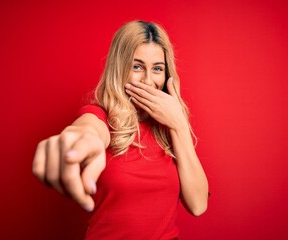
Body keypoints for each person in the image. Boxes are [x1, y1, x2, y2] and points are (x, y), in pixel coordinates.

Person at [32, 20, 209, 239]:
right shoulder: (101, 117)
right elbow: (89, 129)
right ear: (120, 69)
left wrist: (179, 124)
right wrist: (79, 139)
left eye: (157, 69)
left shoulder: (170, 128)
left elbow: (198, 205)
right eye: (137, 67)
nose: (147, 80)